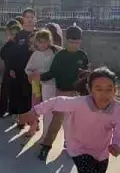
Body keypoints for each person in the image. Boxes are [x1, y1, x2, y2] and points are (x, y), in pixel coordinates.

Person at [36, 25, 90, 160]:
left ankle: (73, 146)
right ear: (66, 41)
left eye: (77, 42)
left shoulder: (82, 56)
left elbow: (86, 75)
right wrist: (39, 77)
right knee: (56, 121)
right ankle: (46, 147)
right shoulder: (60, 56)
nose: (74, 45)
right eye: (71, 42)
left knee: (75, 122)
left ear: (81, 41)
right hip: (61, 93)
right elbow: (52, 72)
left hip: (76, 94)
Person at [0, 18, 34, 126]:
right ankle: (16, 115)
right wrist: (11, 68)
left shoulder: (29, 40)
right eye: (12, 34)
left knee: (30, 95)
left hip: (30, 72)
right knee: (14, 93)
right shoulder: (11, 44)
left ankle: (31, 120)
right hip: (14, 71)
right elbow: (4, 55)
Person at [24, 28, 58, 108]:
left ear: (49, 42)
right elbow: (28, 69)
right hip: (36, 81)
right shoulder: (35, 54)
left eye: (45, 42)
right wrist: (32, 75)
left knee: (48, 101)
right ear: (37, 42)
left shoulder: (53, 52)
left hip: (49, 81)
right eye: (40, 42)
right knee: (36, 100)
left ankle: (48, 117)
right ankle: (35, 118)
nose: (43, 44)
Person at [0, 20, 21, 118]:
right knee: (5, 91)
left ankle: (13, 110)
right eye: (12, 34)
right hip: (8, 70)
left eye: (16, 34)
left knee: (16, 92)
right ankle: (1, 110)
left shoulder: (21, 45)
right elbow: (2, 54)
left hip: (18, 71)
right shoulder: (8, 44)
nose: (14, 36)